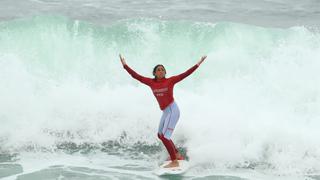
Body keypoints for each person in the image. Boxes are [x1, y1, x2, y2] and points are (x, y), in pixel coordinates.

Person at [119, 54, 206, 168]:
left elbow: (185, 74)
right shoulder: (151, 82)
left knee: (165, 136)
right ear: (154, 73)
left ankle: (174, 161)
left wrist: (198, 64)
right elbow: (137, 76)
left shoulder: (171, 80)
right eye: (158, 70)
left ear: (165, 72)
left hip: (173, 110)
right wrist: (125, 66)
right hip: (166, 111)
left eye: (162, 70)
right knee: (160, 135)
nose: (161, 71)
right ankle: (177, 154)